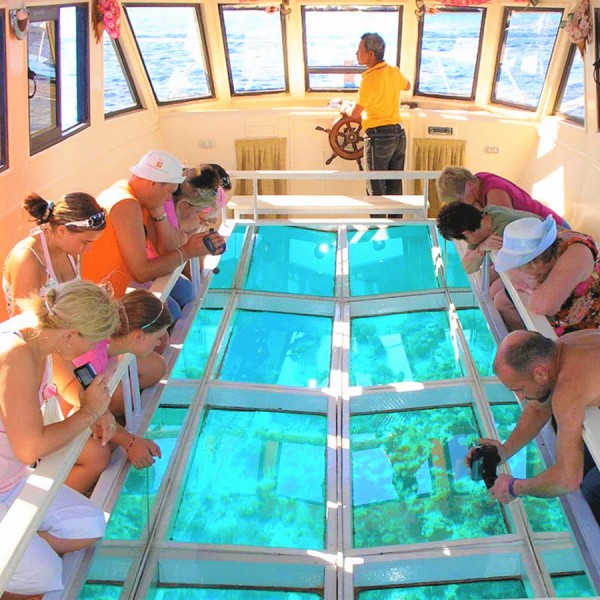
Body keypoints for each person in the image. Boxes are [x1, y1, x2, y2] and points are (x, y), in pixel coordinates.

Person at [0, 280, 120, 598]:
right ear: (71, 335)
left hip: (11, 481)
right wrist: (89, 414)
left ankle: (23, 550)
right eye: (91, 343)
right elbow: (30, 449)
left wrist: (97, 409)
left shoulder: (44, 331)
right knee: (46, 579)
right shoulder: (14, 354)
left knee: (91, 524)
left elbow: (68, 384)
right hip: (11, 477)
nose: (90, 351)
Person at [466, 330, 600, 522]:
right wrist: (504, 451)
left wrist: (515, 487)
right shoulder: (564, 346)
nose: (521, 397)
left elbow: (568, 479)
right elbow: (539, 408)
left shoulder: (568, 392)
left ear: (539, 373)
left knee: (591, 489)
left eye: (520, 389)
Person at [53, 290, 171, 493]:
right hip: (59, 421)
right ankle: (53, 501)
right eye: (157, 337)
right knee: (98, 456)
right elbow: (81, 408)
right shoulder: (91, 355)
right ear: (138, 336)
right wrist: (129, 442)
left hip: (76, 409)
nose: (160, 343)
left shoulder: (103, 344)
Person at [81, 150, 225, 299]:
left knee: (184, 291)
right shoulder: (126, 204)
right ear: (153, 183)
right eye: (169, 192)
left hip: (116, 286)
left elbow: (165, 251)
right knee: (174, 305)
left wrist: (159, 212)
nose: (168, 199)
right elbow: (142, 273)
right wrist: (188, 251)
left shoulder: (134, 195)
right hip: (104, 295)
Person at [436, 201, 542, 331]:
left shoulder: (504, 231)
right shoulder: (485, 217)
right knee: (487, 278)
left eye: (464, 239)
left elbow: (530, 274)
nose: (466, 242)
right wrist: (482, 247)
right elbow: (468, 267)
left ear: (467, 233)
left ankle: (528, 335)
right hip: (528, 257)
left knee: (501, 302)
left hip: (543, 260)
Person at [3, 192, 106, 316]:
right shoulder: (26, 261)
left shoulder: (73, 250)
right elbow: (23, 322)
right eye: (85, 242)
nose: (88, 248)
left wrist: (94, 296)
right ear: (61, 230)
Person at [495, 216, 600, 336]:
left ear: (537, 262)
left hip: (589, 326)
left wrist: (531, 290)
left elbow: (542, 306)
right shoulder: (547, 251)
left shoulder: (578, 252)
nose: (521, 286)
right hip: (564, 318)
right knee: (501, 300)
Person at [348, 33, 411, 198]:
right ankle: (396, 217)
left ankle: (379, 217)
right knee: (395, 187)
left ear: (371, 54)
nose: (356, 53)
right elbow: (407, 86)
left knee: (376, 190)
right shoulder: (393, 71)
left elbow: (355, 113)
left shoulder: (369, 79)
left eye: (359, 49)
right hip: (399, 135)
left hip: (379, 137)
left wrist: (345, 107)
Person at [436, 167, 569, 227]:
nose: (460, 206)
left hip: (555, 228)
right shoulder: (479, 178)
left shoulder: (495, 193)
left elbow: (500, 228)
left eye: (459, 200)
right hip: (547, 225)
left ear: (469, 185)